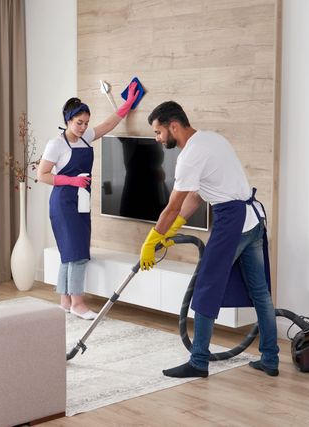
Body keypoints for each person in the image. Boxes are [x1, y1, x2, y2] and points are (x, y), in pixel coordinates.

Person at [139, 101, 279, 377]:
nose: (157, 139)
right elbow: (195, 195)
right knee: (260, 293)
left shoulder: (190, 156)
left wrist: (151, 240)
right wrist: (174, 228)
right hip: (253, 221)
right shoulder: (211, 139)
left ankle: (199, 361)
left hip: (232, 222)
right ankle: (271, 359)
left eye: (158, 132)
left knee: (206, 287)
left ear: (173, 126)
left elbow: (173, 205)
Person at [38, 81, 139, 320]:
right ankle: (78, 303)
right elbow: (42, 175)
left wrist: (128, 104)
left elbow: (108, 124)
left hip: (81, 202)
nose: (83, 127)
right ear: (67, 121)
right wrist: (71, 181)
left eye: (85, 123)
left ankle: (64, 300)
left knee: (69, 253)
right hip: (63, 203)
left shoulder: (86, 138)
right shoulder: (56, 144)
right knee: (77, 253)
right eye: (78, 123)